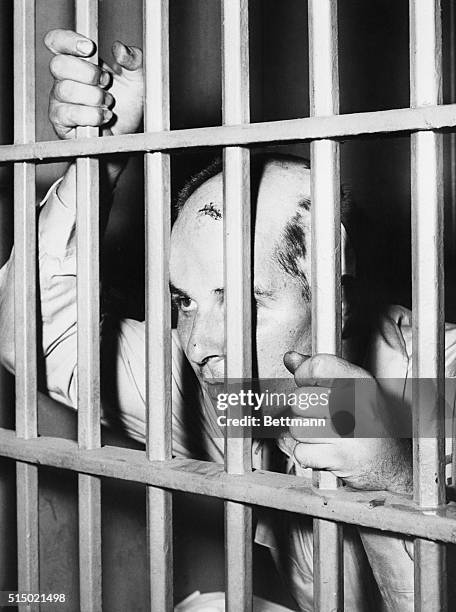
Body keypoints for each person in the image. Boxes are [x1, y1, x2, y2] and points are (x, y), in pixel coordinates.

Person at [1, 29, 455, 611]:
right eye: (184, 301)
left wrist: (392, 481)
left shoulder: (437, 381)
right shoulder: (238, 395)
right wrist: (100, 165)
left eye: (243, 302)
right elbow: (32, 338)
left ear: (339, 299)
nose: (199, 343)